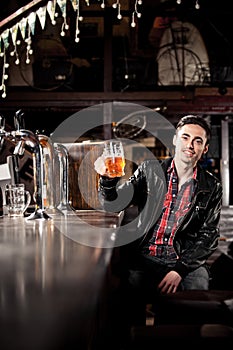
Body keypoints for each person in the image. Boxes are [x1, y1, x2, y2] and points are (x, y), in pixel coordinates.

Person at [94, 115, 223, 346]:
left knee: (198, 282)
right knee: (124, 293)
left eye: (197, 141)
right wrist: (107, 180)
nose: (190, 145)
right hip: (144, 257)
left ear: (204, 148)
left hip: (181, 259)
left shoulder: (211, 186)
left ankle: (174, 337)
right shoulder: (150, 170)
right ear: (175, 140)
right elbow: (114, 203)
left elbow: (209, 236)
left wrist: (179, 269)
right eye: (185, 137)